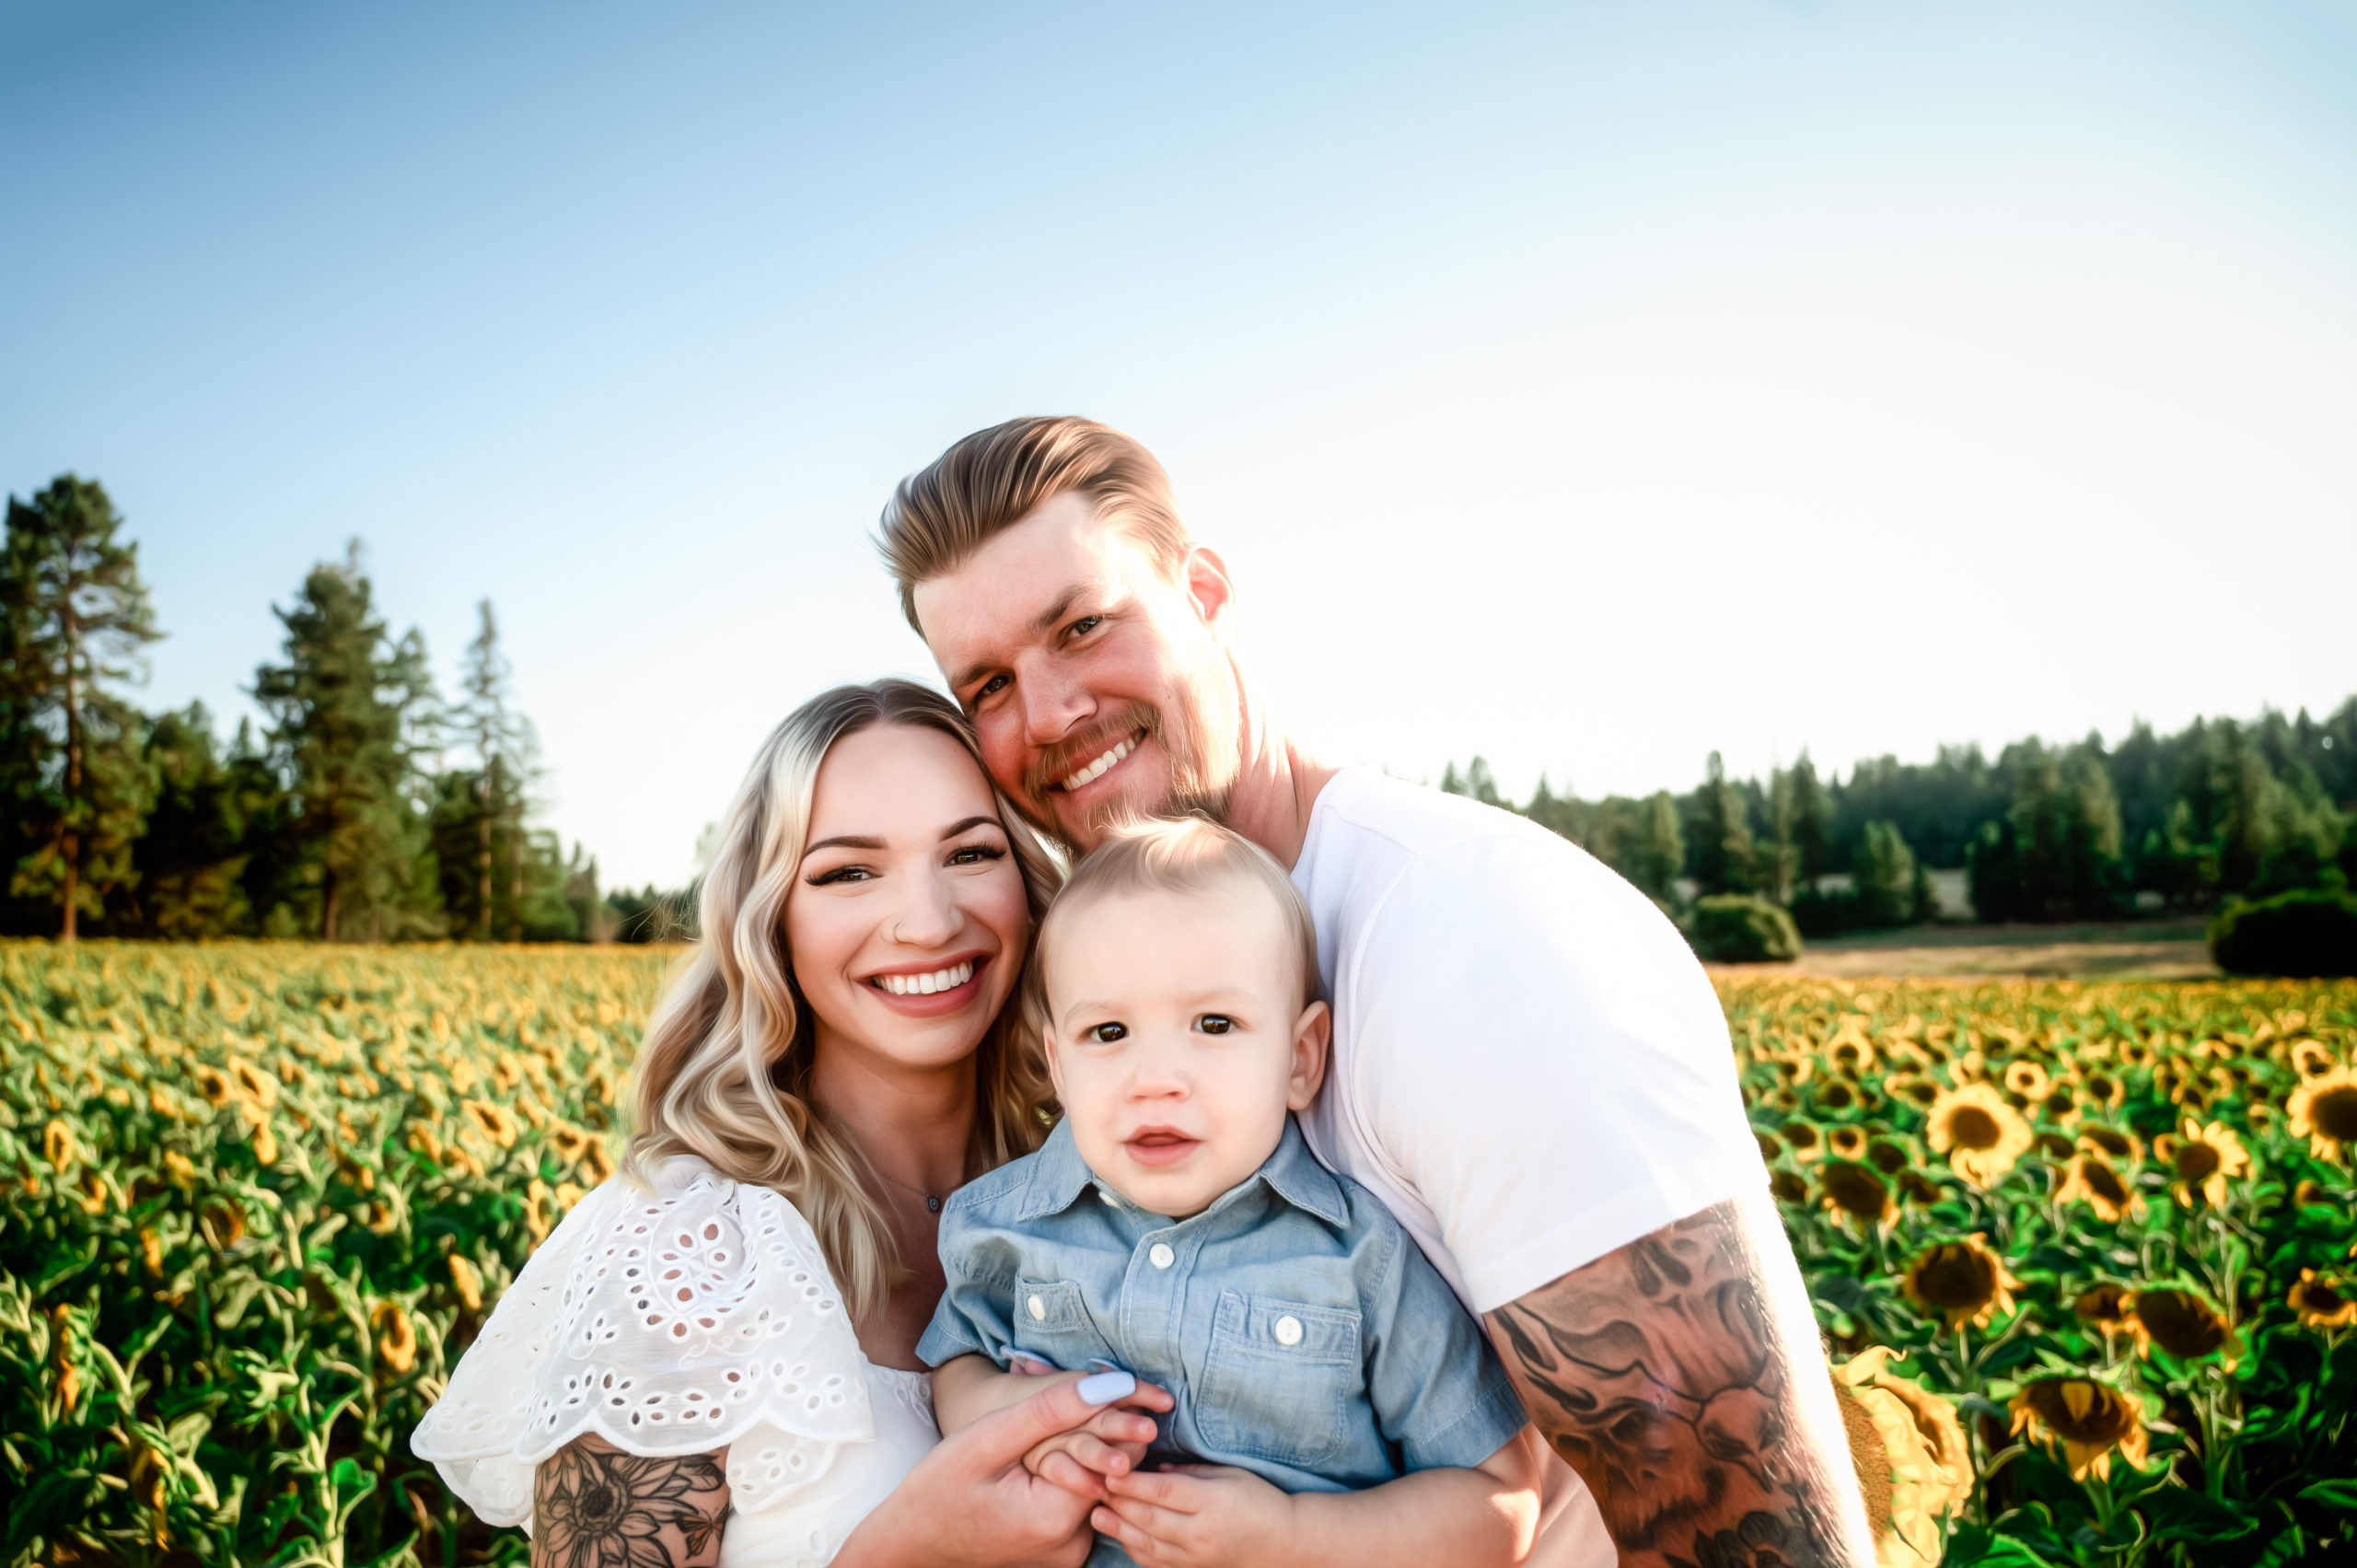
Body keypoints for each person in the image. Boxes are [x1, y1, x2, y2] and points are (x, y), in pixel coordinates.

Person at [877, 417, 1880, 1568]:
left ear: (1204, 594)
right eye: (991, 684)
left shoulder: (1478, 948)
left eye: (1084, 624)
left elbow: (1753, 1533)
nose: (1049, 712)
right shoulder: (1108, 966)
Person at [412, 680, 1175, 1568]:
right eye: (848, 870)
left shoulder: (1127, 1188)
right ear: (771, 919)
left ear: (1030, 884)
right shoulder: (690, 1251)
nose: (928, 921)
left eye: (970, 854)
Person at [923, 817, 1542, 1567]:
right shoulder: (1002, 1225)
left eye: (1214, 1023)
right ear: (1059, 1064)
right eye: (1109, 1032)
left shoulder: (1360, 1260)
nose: (1155, 1078)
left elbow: (1497, 1502)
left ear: (1300, 1058)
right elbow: (953, 1365)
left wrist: (1293, 1535)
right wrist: (1011, 1410)